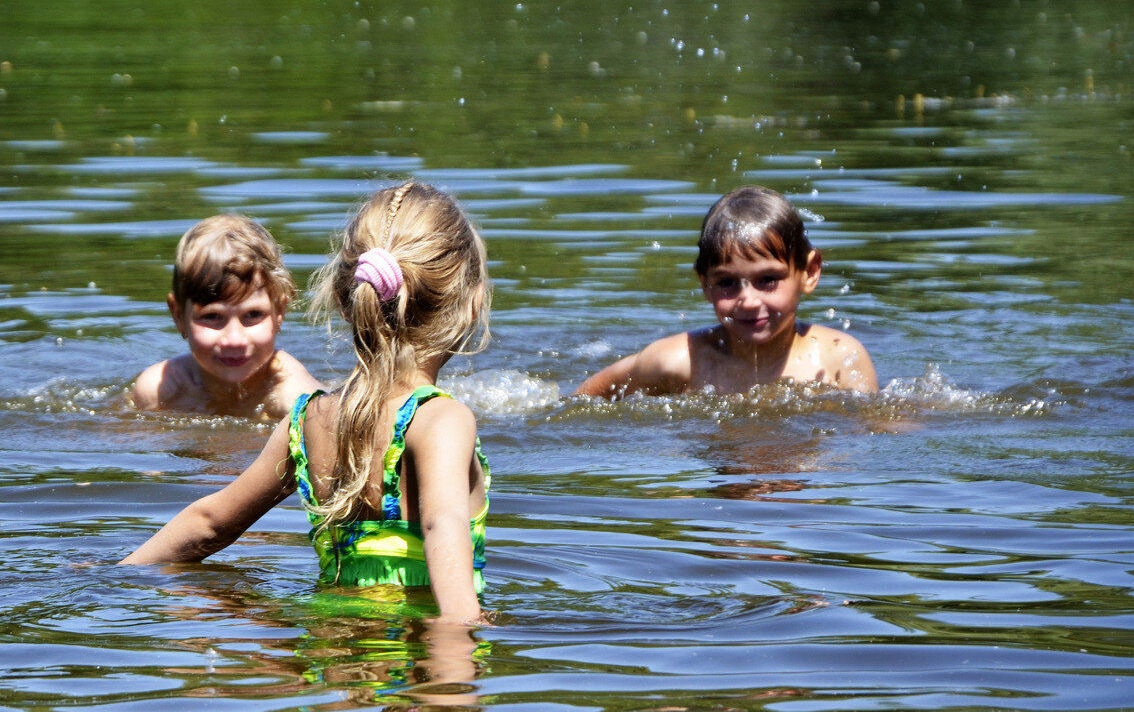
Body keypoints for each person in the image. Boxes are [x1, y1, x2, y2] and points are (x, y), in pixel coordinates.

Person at [121, 183, 493, 625]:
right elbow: (442, 529)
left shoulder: (308, 419)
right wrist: (454, 674)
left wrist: (115, 575)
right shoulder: (441, 421)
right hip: (408, 669)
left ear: (343, 298)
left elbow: (209, 523)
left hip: (329, 668)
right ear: (471, 304)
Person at [575, 185, 878, 398]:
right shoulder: (680, 360)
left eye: (768, 279)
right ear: (704, 283)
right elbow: (579, 404)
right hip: (719, 483)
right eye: (727, 283)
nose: (748, 300)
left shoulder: (838, 359)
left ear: (809, 273)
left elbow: (878, 432)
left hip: (802, 486)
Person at [131, 213, 323, 420]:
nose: (234, 340)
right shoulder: (158, 391)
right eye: (212, 316)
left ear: (279, 313)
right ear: (178, 315)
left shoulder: (294, 399)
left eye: (253, 314)